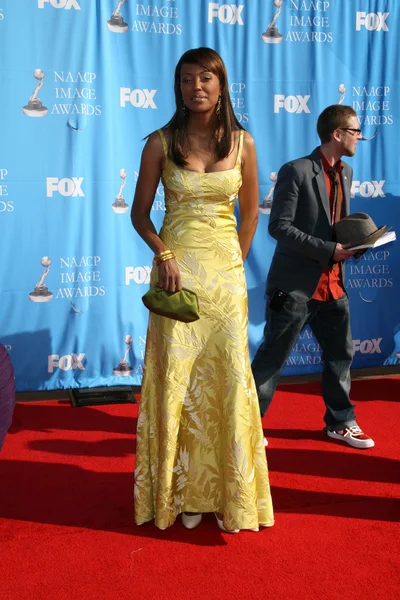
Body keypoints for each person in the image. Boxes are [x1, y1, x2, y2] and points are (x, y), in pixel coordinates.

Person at [131, 47, 274, 533]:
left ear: (221, 84)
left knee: (228, 381)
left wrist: (234, 261)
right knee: (181, 384)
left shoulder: (242, 142)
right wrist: (163, 253)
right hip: (177, 275)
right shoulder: (160, 142)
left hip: (225, 280)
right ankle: (183, 493)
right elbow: (140, 214)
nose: (197, 86)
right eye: (188, 78)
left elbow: (251, 212)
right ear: (179, 86)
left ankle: (228, 495)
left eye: (206, 78)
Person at [251, 105, 375, 450]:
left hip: (334, 284)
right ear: (337, 134)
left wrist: (356, 244)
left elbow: (337, 226)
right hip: (295, 286)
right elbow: (279, 226)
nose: (359, 137)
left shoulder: (345, 171)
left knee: (340, 356)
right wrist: (327, 249)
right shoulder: (297, 170)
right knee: (272, 359)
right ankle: (244, 427)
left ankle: (340, 421)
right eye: (355, 131)